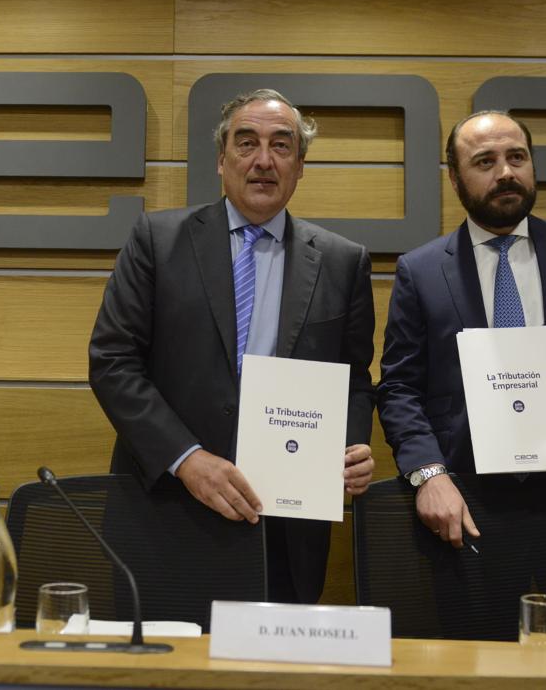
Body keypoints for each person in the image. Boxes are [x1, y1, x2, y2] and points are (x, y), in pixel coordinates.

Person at [89, 89, 375, 604]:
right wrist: (186, 458)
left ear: (300, 166)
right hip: (166, 511)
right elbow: (113, 361)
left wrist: (351, 448)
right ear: (222, 160)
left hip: (287, 526)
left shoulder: (343, 261)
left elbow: (354, 379)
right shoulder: (157, 240)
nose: (263, 160)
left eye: (281, 146)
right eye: (246, 143)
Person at [376, 110, 546, 643]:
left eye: (516, 157)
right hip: (469, 510)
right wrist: (427, 475)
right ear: (455, 178)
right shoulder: (421, 270)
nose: (505, 172)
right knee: (480, 669)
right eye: (485, 162)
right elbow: (399, 387)